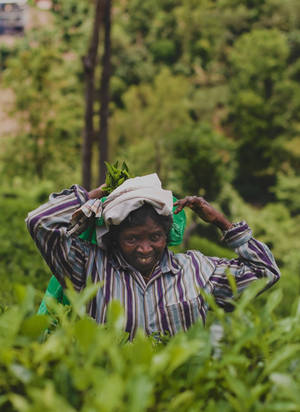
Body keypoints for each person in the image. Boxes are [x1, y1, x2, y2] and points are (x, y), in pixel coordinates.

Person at [26, 174, 280, 340]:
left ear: (167, 234)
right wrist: (92, 196)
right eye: (132, 239)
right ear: (115, 238)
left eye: (155, 237)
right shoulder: (88, 267)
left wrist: (221, 222)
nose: (145, 249)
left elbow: (264, 273)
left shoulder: (196, 270)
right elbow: (40, 222)